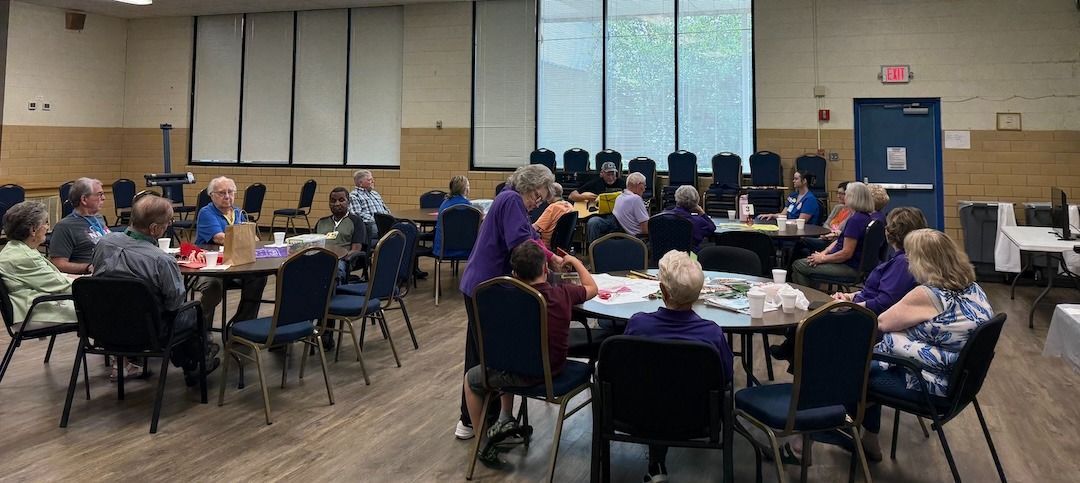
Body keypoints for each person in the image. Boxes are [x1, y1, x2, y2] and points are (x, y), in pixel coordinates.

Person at [859, 228, 994, 460]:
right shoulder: (973, 288)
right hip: (961, 383)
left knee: (852, 368)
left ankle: (821, 432)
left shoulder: (928, 294)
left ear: (922, 262)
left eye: (910, 257)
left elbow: (881, 322)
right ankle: (867, 437)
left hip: (929, 383)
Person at [464, 241, 597, 468]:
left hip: (512, 370)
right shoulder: (561, 294)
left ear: (514, 273)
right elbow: (592, 288)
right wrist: (575, 261)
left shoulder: (500, 297)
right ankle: (506, 418)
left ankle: (483, 444)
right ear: (545, 268)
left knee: (471, 379)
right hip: (550, 373)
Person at [456, 164, 564, 440]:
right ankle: (479, 422)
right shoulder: (512, 199)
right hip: (487, 287)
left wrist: (545, 250)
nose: (537, 203)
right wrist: (550, 259)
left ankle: (477, 420)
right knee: (487, 356)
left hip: (481, 285)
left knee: (481, 351)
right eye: (537, 196)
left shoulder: (508, 198)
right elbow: (521, 243)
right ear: (528, 185)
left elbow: (529, 235)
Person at [624, 250, 734, 482]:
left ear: (663, 291)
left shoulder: (637, 325)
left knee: (655, 386)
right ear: (699, 292)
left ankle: (656, 464)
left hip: (639, 413)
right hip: (698, 418)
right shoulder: (712, 334)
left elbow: (623, 371)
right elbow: (726, 377)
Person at [92, 194, 220, 386]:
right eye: (168, 222)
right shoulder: (162, 260)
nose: (168, 226)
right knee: (193, 312)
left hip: (103, 328)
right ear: (154, 229)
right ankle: (197, 362)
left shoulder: (103, 243)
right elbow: (174, 303)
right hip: (148, 332)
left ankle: (194, 360)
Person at [771, 207, 928, 361]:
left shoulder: (902, 263)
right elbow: (877, 292)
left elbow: (884, 303)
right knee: (813, 311)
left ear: (891, 232)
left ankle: (799, 361)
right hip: (862, 307)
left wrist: (850, 305)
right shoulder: (903, 258)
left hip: (867, 319)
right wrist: (850, 296)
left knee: (811, 318)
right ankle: (792, 352)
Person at [193, 176, 268, 325]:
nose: (227, 196)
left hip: (236, 265)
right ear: (212, 195)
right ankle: (201, 328)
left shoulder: (238, 212)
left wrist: (250, 237)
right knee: (213, 286)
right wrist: (247, 238)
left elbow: (254, 238)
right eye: (222, 193)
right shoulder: (206, 212)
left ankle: (242, 325)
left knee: (259, 277)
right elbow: (220, 238)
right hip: (211, 267)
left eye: (230, 192)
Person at [0, 201, 77, 325]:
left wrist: (86, 278)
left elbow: (55, 277)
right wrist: (96, 283)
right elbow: (62, 286)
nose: (47, 227)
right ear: (33, 230)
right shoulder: (24, 257)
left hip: (33, 304)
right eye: (45, 222)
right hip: (34, 311)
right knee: (101, 308)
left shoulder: (17, 248)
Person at [790, 182, 875, 289]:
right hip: (852, 264)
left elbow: (846, 254)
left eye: (846, 194)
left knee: (798, 265)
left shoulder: (855, 221)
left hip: (849, 267)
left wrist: (822, 259)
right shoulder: (864, 217)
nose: (844, 197)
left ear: (853, 197)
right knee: (808, 260)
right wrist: (824, 253)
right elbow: (839, 241)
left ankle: (809, 297)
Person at [50, 177, 109, 274]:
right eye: (99, 194)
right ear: (84, 199)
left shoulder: (98, 218)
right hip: (92, 277)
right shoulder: (64, 226)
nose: (103, 198)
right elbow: (58, 264)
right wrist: (87, 267)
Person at [314, 187, 366, 282]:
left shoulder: (356, 221)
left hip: (342, 260)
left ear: (348, 202)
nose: (337, 204)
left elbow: (356, 249)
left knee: (334, 268)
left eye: (341, 200)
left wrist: (337, 258)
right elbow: (312, 245)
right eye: (333, 201)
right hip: (319, 258)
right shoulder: (321, 222)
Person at [663, 185, 716, 252]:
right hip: (689, 256)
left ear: (676, 198)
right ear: (696, 201)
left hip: (666, 255)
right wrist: (702, 213)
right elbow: (712, 228)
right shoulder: (698, 221)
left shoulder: (663, 216)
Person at [433, 175, 474, 258]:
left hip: (443, 249)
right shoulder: (469, 208)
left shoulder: (444, 204)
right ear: (465, 189)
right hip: (467, 250)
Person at [348, 169, 391, 243]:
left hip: (384, 223)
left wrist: (389, 218)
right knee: (394, 232)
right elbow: (357, 215)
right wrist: (379, 221)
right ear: (360, 183)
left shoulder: (375, 194)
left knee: (404, 227)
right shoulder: (354, 196)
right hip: (370, 226)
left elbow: (386, 209)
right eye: (369, 180)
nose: (373, 181)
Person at [532, 182, 574, 249]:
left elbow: (535, 228)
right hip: (561, 247)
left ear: (550, 194)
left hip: (545, 246)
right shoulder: (570, 206)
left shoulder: (553, 208)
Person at [612, 172, 650, 237]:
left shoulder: (619, 197)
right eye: (644, 185)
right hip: (638, 238)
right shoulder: (636, 199)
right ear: (639, 184)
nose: (644, 189)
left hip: (625, 235)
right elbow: (645, 229)